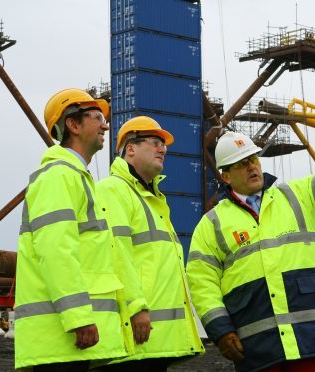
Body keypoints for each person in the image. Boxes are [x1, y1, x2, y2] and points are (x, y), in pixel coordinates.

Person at [186, 101, 315, 372]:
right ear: (225, 175)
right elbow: (202, 282)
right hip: (258, 346)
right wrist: (220, 329)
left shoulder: (297, 196)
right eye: (242, 163)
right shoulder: (211, 225)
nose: (252, 166)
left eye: (253, 159)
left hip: (309, 338)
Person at [14, 88, 127, 371]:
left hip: (68, 341)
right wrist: (78, 317)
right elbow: (56, 251)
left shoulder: (76, 178)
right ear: (73, 125)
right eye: (97, 117)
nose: (105, 124)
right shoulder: (59, 177)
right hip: (61, 340)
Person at [96, 116, 204, 371]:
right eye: (155, 142)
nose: (162, 149)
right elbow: (116, 253)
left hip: (155, 338)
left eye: (163, 144)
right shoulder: (113, 190)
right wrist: (135, 308)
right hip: (135, 333)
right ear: (131, 148)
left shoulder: (153, 198)